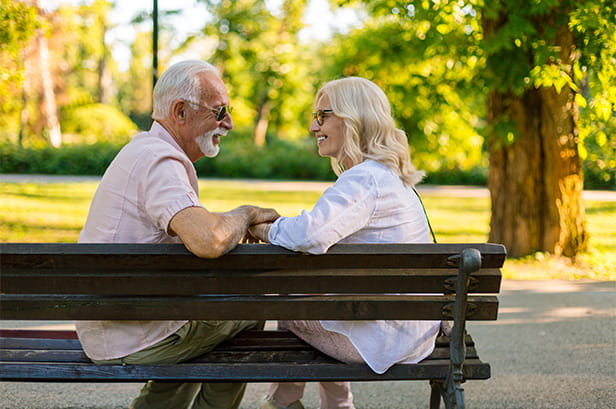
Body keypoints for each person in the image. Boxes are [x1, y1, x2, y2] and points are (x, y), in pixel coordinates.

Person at [76, 60, 279, 409]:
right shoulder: (160, 161)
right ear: (180, 111)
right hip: (130, 337)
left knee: (206, 321)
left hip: (112, 325)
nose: (228, 122)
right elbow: (209, 240)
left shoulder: (143, 151)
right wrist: (246, 215)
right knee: (249, 307)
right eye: (219, 111)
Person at [247, 77, 440, 409]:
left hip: (386, 340)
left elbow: (309, 234)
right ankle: (330, 405)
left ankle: (284, 403)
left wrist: (264, 229)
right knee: (312, 299)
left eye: (322, 116)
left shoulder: (365, 179)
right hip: (412, 329)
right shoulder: (386, 177)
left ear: (353, 118)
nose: (312, 126)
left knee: (289, 301)